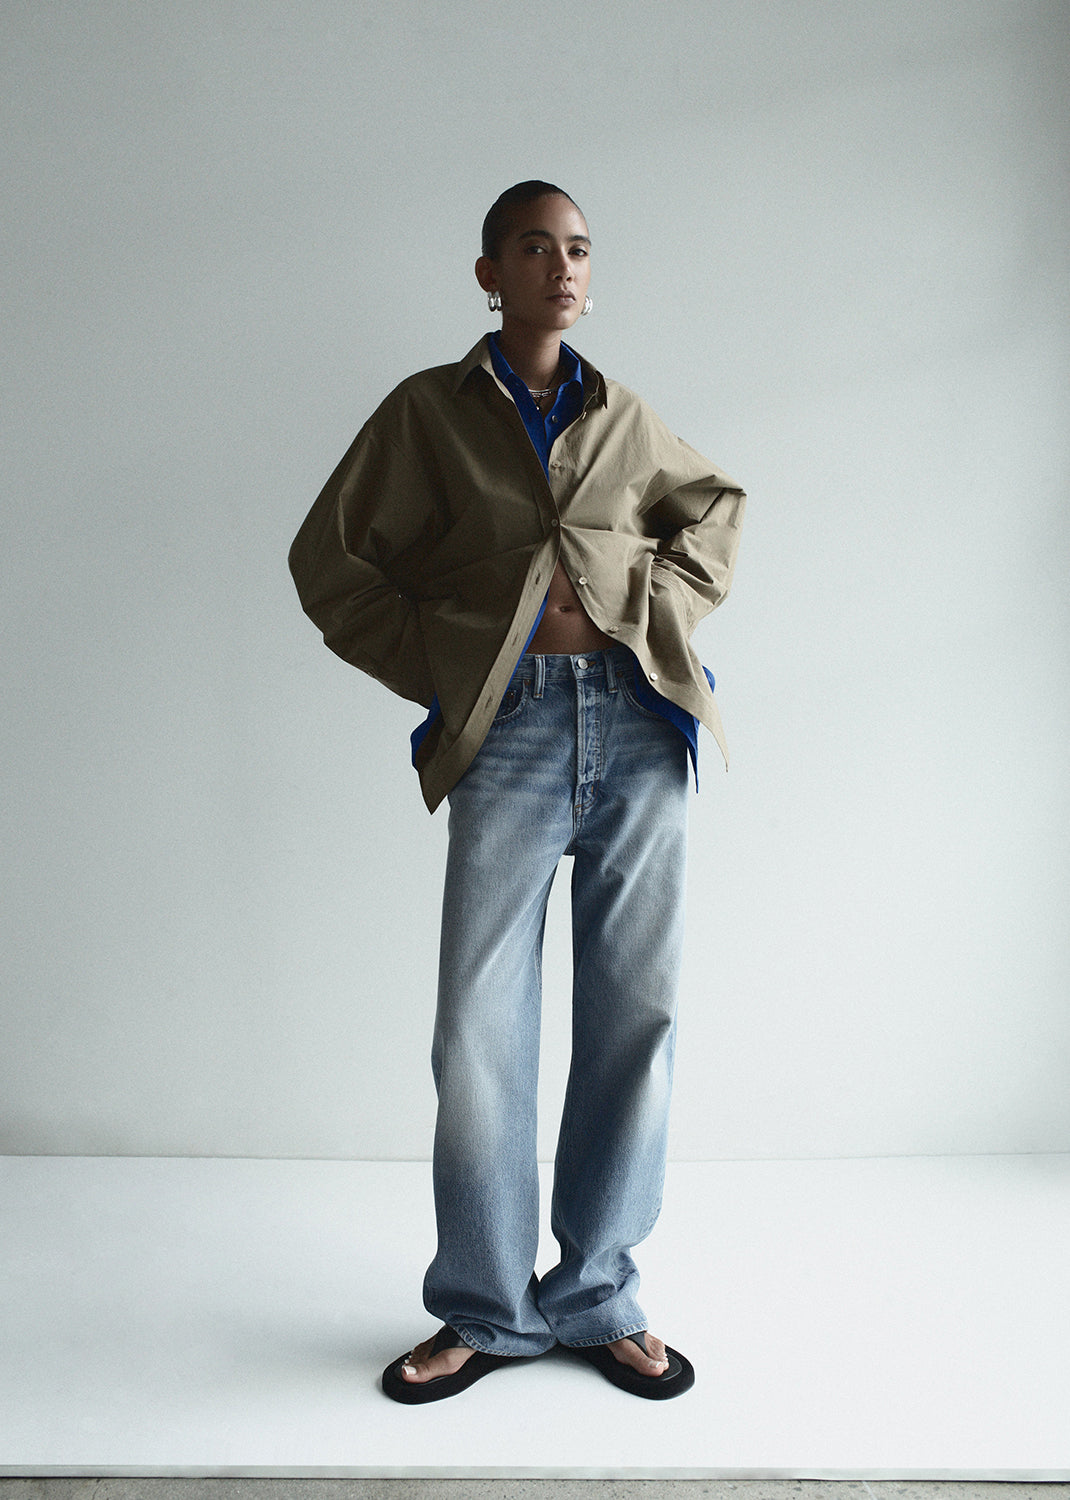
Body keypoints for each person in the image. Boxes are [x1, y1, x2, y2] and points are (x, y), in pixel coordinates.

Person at [288, 181, 746, 1403]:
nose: (560, 266)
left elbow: (713, 510)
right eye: (534, 247)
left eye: (579, 248)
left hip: (642, 728)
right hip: (517, 737)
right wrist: (450, 664)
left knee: (631, 1017)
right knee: (479, 1033)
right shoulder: (426, 415)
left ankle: (598, 1292)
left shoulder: (620, 413)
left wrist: (651, 610)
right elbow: (329, 565)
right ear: (487, 271)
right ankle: (486, 1309)